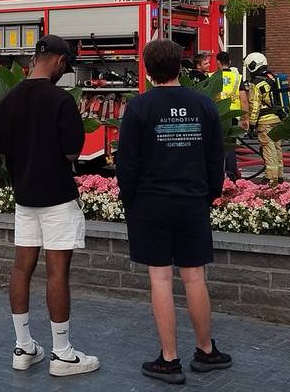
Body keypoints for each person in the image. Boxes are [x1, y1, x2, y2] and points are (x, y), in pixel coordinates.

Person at [117, 39, 232, 384]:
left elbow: (127, 164)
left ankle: (169, 360)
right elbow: (217, 158)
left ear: (148, 70)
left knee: (160, 279)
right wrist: (208, 193)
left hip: (151, 204)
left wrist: (130, 199)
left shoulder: (138, 108)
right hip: (192, 202)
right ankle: (206, 350)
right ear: (180, 67)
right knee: (195, 276)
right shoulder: (204, 105)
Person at [0, 34, 99, 377]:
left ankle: (23, 347)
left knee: (21, 268)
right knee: (57, 272)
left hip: (24, 197)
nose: (64, 71)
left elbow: (3, 151)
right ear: (57, 60)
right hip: (57, 198)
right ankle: (63, 354)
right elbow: (72, 153)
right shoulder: (61, 100)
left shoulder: (8, 100)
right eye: (66, 65)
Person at [244, 52, 283, 183]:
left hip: (265, 121)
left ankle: (271, 177)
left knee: (268, 147)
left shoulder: (256, 83)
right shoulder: (273, 77)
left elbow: (255, 105)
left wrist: (252, 124)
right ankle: (280, 174)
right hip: (278, 118)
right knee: (277, 147)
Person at [215, 52, 249, 181]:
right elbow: (244, 100)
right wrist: (245, 118)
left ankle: (218, 173)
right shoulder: (237, 77)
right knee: (230, 145)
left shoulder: (212, 76)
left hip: (218, 115)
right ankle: (230, 174)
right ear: (229, 62)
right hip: (233, 116)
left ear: (218, 62)